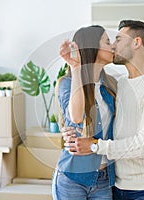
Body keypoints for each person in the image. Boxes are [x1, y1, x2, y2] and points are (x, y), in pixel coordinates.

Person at [63, 20, 144, 200]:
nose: (113, 46)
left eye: (118, 40)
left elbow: (143, 146)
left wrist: (94, 145)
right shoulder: (119, 84)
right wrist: (70, 129)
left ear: (136, 42)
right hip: (116, 183)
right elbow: (100, 119)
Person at [52, 25, 117, 200]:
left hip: (104, 179)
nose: (113, 46)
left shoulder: (112, 85)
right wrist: (76, 67)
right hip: (73, 177)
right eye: (107, 41)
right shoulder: (67, 83)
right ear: (92, 47)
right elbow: (76, 116)